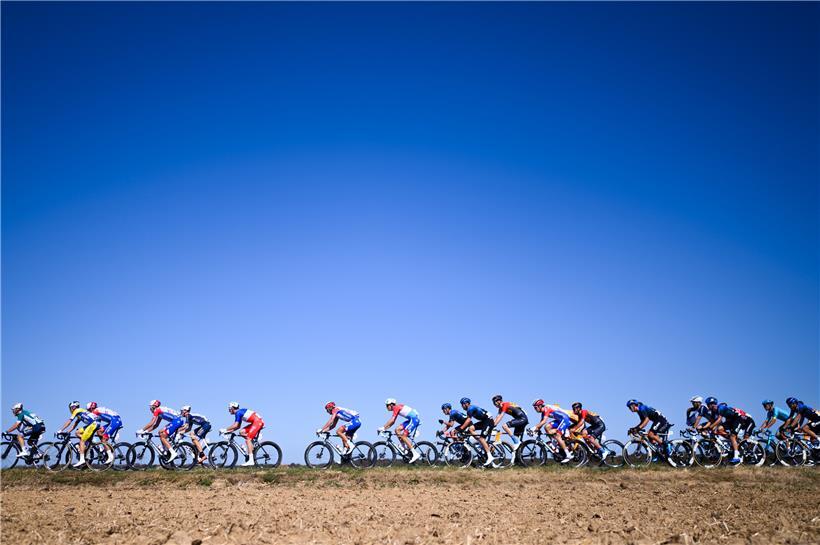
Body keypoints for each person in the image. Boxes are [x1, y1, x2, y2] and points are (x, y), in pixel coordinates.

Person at [58, 401, 103, 467]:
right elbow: (74, 425)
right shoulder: (80, 413)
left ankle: (82, 460)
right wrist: (68, 432)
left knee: (82, 440)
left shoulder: (77, 411)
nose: (71, 409)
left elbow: (69, 421)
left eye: (71, 408)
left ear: (73, 407)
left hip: (94, 423)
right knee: (77, 432)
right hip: (94, 423)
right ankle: (95, 444)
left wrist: (60, 430)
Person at [222, 401, 265, 466]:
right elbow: (238, 426)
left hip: (257, 422)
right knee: (241, 432)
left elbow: (235, 425)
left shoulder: (238, 413)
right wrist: (228, 431)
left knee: (248, 440)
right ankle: (253, 441)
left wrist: (225, 429)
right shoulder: (239, 412)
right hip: (256, 422)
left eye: (229, 408)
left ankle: (251, 461)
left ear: (233, 408)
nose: (229, 410)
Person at [379, 398, 421, 463]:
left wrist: (383, 427)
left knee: (404, 436)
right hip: (411, 420)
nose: (386, 407)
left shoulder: (396, 407)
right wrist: (384, 429)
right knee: (397, 430)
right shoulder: (396, 408)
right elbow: (393, 422)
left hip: (414, 420)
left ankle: (415, 454)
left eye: (387, 405)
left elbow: (392, 420)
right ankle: (404, 448)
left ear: (391, 405)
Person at [458, 397, 496, 466]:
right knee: (470, 429)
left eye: (462, 404)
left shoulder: (470, 408)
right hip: (484, 421)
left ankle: (490, 456)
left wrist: (461, 428)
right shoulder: (469, 409)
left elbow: (468, 420)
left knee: (482, 438)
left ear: (466, 404)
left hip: (488, 421)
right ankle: (481, 443)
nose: (461, 406)